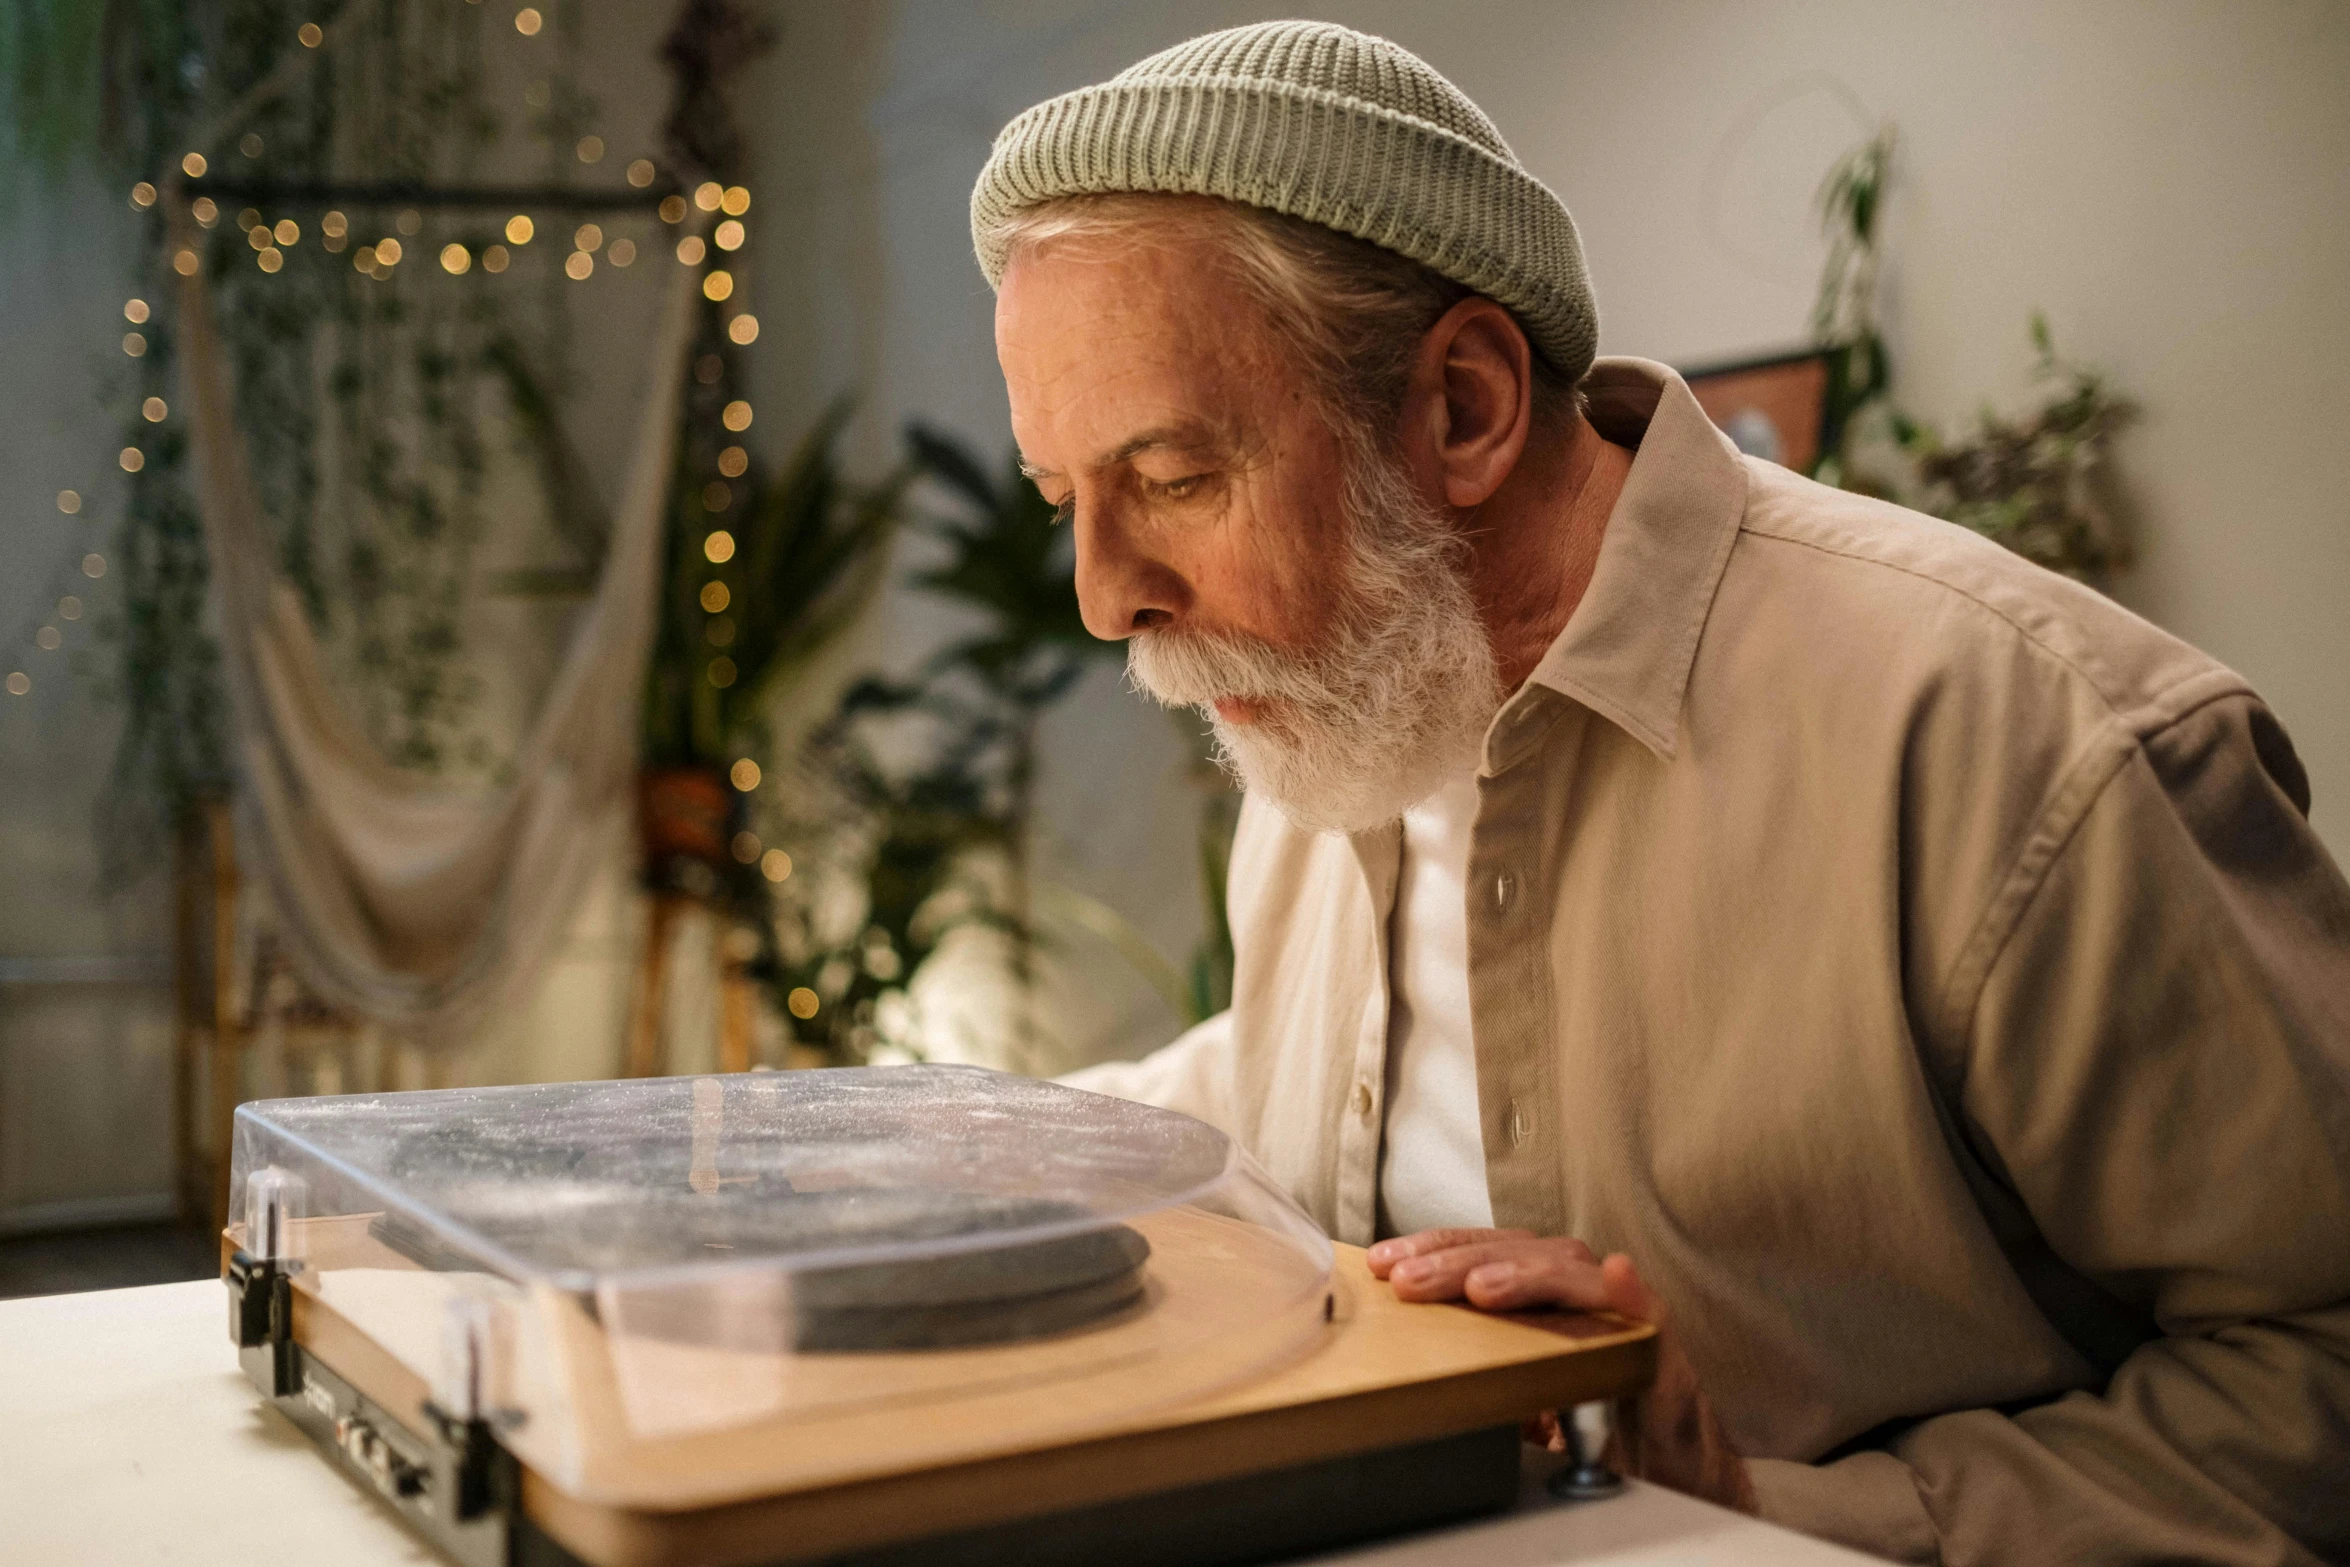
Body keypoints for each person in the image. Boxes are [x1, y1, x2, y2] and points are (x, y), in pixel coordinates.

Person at [973, 20, 2350, 1565]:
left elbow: (2316, 1363)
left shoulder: (2020, 734)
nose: (1103, 595)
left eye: (1169, 478)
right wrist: (918, 1145)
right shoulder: (1335, 693)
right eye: (1066, 497)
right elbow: (1302, 1065)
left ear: (1466, 409)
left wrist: (1765, 1513)